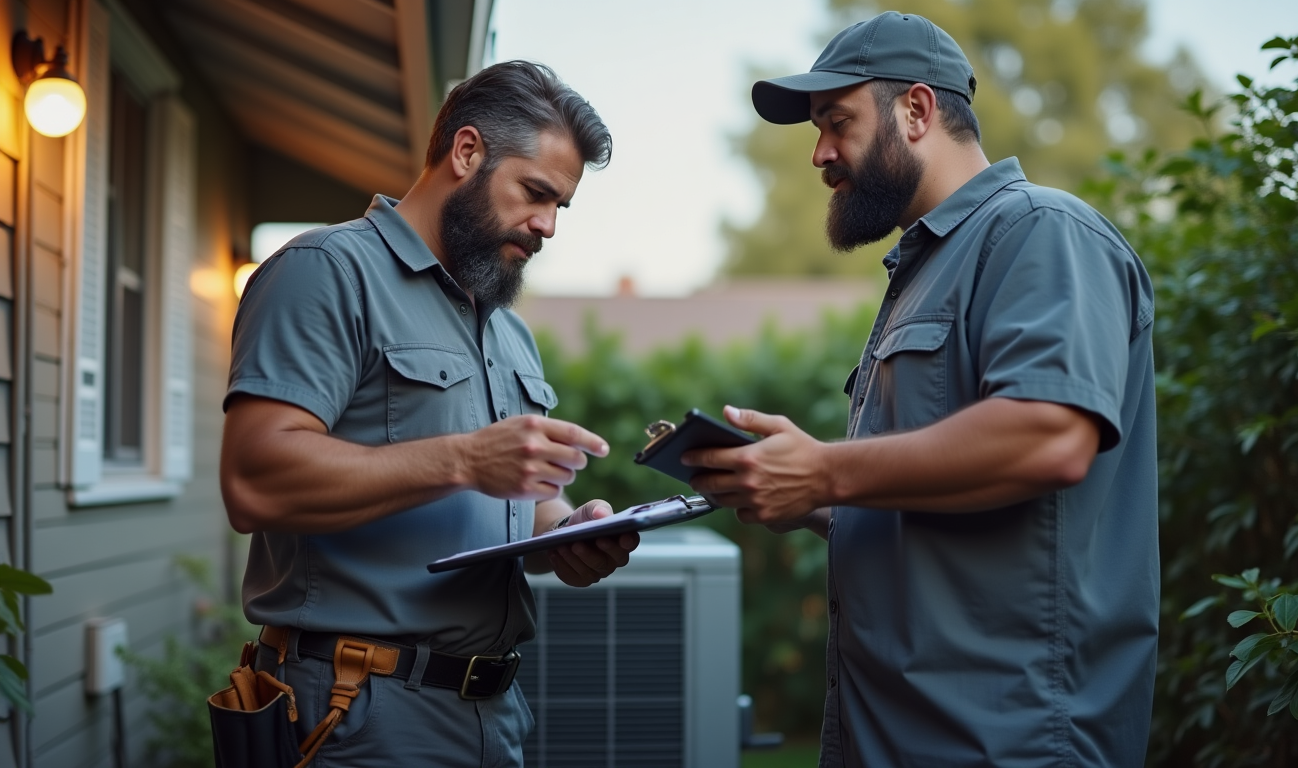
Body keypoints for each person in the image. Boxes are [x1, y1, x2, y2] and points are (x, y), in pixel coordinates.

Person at [684, 12, 1158, 768]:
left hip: (1007, 744)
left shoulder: (1041, 231)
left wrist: (825, 468)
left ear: (916, 110)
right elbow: (937, 496)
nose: (819, 153)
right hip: (892, 739)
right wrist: (812, 498)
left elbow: (1051, 438)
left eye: (836, 121)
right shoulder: (924, 271)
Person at [219, 61, 635, 768]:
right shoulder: (325, 271)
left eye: (562, 206)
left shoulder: (505, 326)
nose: (549, 226)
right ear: (466, 152)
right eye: (536, 194)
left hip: (493, 713)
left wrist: (565, 530)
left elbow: (508, 497)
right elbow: (254, 481)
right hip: (358, 710)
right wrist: (465, 457)